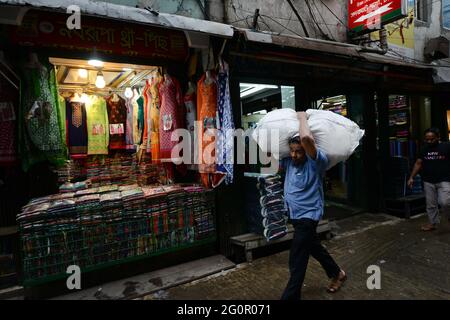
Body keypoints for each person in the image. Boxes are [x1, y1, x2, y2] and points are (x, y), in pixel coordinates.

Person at [280, 111, 346, 300]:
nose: (294, 154)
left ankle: (290, 297)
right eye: (292, 150)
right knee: (313, 247)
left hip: (308, 216)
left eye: (298, 151)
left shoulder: (316, 162)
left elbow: (307, 138)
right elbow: (274, 154)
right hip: (294, 214)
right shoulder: (289, 161)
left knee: (297, 257)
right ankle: (337, 273)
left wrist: (302, 118)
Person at [408, 128, 450, 231]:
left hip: (444, 179)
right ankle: (433, 223)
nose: (429, 141)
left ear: (438, 137)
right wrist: (411, 177)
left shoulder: (446, 146)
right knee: (431, 204)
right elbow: (418, 163)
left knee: (445, 202)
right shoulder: (423, 149)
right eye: (427, 139)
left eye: (432, 139)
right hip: (428, 180)